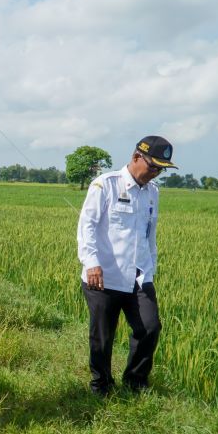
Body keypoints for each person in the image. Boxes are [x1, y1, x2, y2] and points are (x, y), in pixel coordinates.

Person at [77, 135, 177, 396]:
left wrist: (151, 268)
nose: (155, 173)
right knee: (103, 335)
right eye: (153, 166)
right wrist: (91, 263)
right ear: (136, 157)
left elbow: (149, 234)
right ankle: (101, 385)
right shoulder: (105, 185)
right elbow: (86, 226)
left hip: (139, 277)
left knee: (150, 327)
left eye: (161, 169)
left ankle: (135, 382)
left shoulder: (153, 193)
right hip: (104, 276)